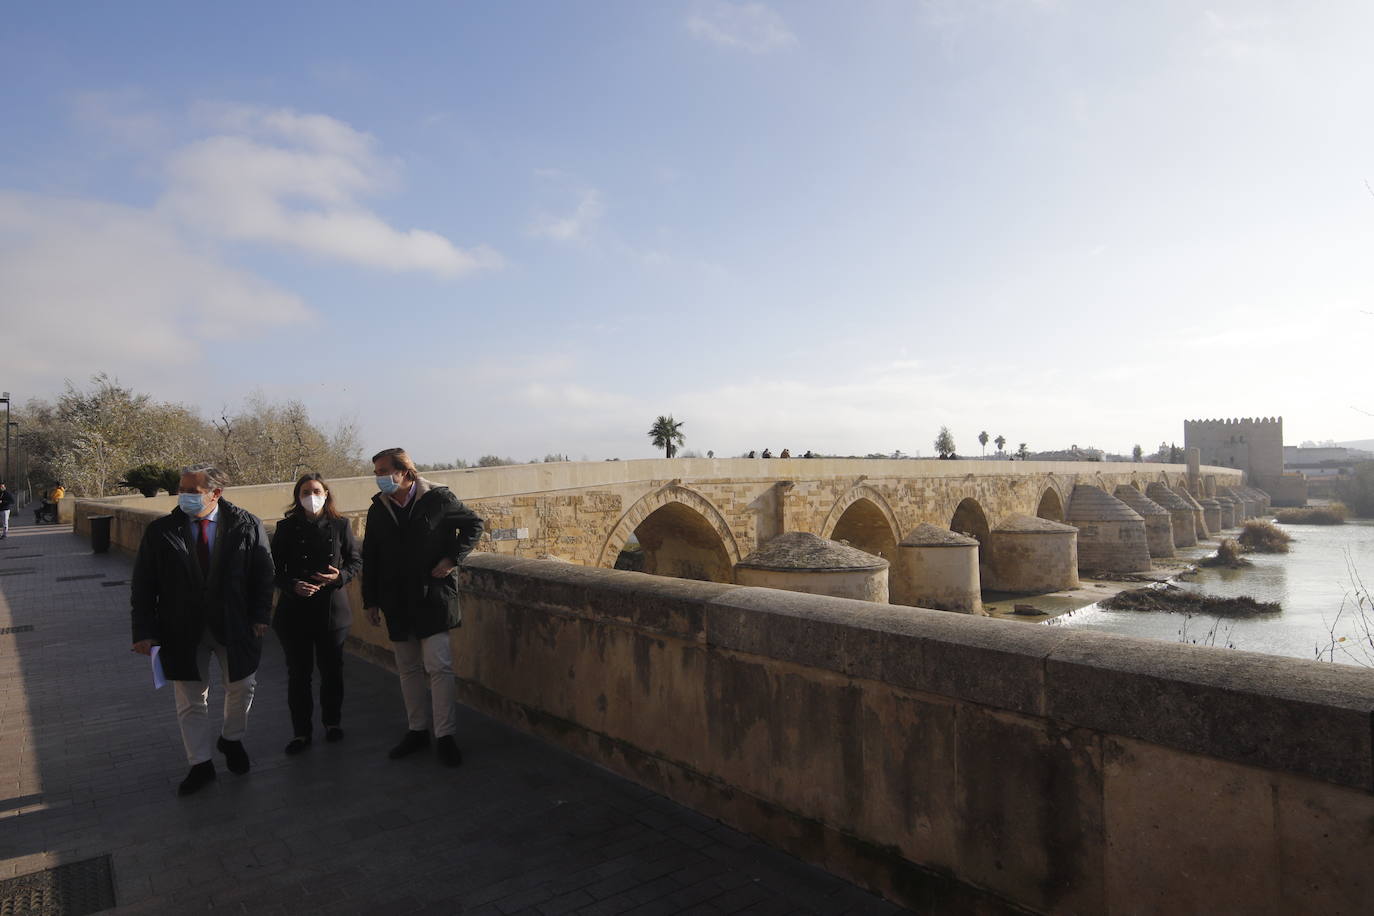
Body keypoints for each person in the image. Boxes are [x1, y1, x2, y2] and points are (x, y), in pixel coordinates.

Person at [130, 464, 274, 796]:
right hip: (181, 628)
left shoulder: (245, 525)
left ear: (216, 494)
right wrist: (143, 631)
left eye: (191, 492)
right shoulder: (161, 531)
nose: (183, 497)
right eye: (181, 490)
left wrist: (260, 614)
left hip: (234, 623)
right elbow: (143, 584)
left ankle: (232, 738)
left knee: (243, 685)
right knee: (191, 700)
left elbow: (263, 574)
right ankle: (200, 763)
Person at [362, 447, 483, 768]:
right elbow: (371, 557)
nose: (379, 479)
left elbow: (474, 525)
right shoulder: (378, 510)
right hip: (396, 601)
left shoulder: (437, 500)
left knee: (439, 666)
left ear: (405, 472)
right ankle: (417, 730)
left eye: (383, 471)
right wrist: (370, 600)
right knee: (408, 669)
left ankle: (445, 735)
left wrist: (451, 559)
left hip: (433, 598)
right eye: (376, 473)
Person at [270, 473, 362, 755]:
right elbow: (273, 569)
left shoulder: (341, 525)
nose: (312, 496)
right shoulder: (285, 528)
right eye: (306, 491)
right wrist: (292, 585)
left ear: (326, 494)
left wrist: (339, 577)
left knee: (332, 671)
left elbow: (355, 561)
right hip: (294, 613)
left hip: (331, 611)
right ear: (298, 497)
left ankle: (332, 722)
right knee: (299, 675)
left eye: (316, 490)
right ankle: (301, 732)